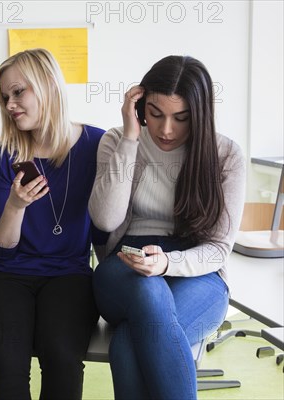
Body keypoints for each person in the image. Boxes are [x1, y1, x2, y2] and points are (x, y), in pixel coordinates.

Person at [89, 55, 246, 399]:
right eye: (155, 114)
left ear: (200, 114)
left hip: (198, 271)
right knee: (148, 290)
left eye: (181, 118)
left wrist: (167, 264)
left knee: (128, 346)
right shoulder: (117, 141)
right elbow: (104, 219)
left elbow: (218, 249)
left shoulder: (226, 155)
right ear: (140, 106)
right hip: (125, 266)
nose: (165, 130)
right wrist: (131, 138)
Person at [0, 48, 105, 399]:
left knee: (62, 357)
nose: (10, 104)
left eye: (19, 92)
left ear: (48, 85)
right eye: (5, 97)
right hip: (7, 273)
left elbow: (111, 217)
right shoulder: (4, 156)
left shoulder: (97, 144)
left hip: (69, 273)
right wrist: (16, 206)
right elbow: (2, 244)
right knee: (6, 364)